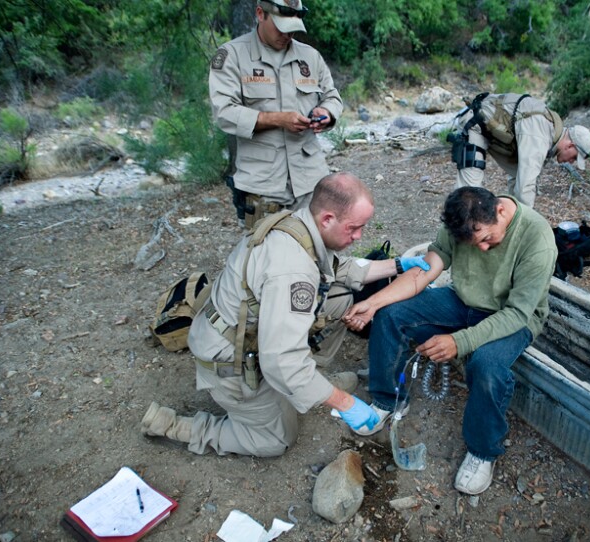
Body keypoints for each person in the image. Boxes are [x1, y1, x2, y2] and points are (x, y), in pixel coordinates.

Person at [140, 173, 431, 457]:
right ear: (328, 219)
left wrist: (399, 265)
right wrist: (345, 403)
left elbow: (342, 269)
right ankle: (177, 426)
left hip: (239, 328)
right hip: (231, 361)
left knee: (341, 298)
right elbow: (282, 361)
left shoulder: (299, 225)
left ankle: (308, 384)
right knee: (276, 440)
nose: (359, 236)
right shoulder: (293, 271)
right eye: (354, 228)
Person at [342, 186, 557, 495]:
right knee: (391, 315)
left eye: (485, 238)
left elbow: (518, 313)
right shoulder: (461, 221)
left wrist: (460, 341)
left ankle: (483, 451)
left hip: (512, 317)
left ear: (500, 211)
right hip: (464, 301)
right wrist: (374, 302)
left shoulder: (537, 238)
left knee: (486, 365)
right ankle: (385, 400)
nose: (482, 248)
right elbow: (426, 270)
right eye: (474, 243)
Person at [209, 0, 343, 228]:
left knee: (317, 254)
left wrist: (327, 112)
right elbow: (224, 112)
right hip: (263, 185)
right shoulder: (232, 55)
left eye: (293, 28)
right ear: (260, 14)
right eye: (281, 27)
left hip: (310, 181)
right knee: (265, 258)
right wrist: (277, 120)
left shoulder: (310, 57)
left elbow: (332, 96)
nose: (287, 34)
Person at [448, 92, 590, 208]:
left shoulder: (550, 137)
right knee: (468, 193)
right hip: (475, 124)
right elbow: (525, 188)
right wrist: (527, 226)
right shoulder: (540, 135)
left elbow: (518, 177)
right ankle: (453, 236)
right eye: (574, 157)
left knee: (519, 183)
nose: (572, 162)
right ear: (570, 145)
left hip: (490, 132)